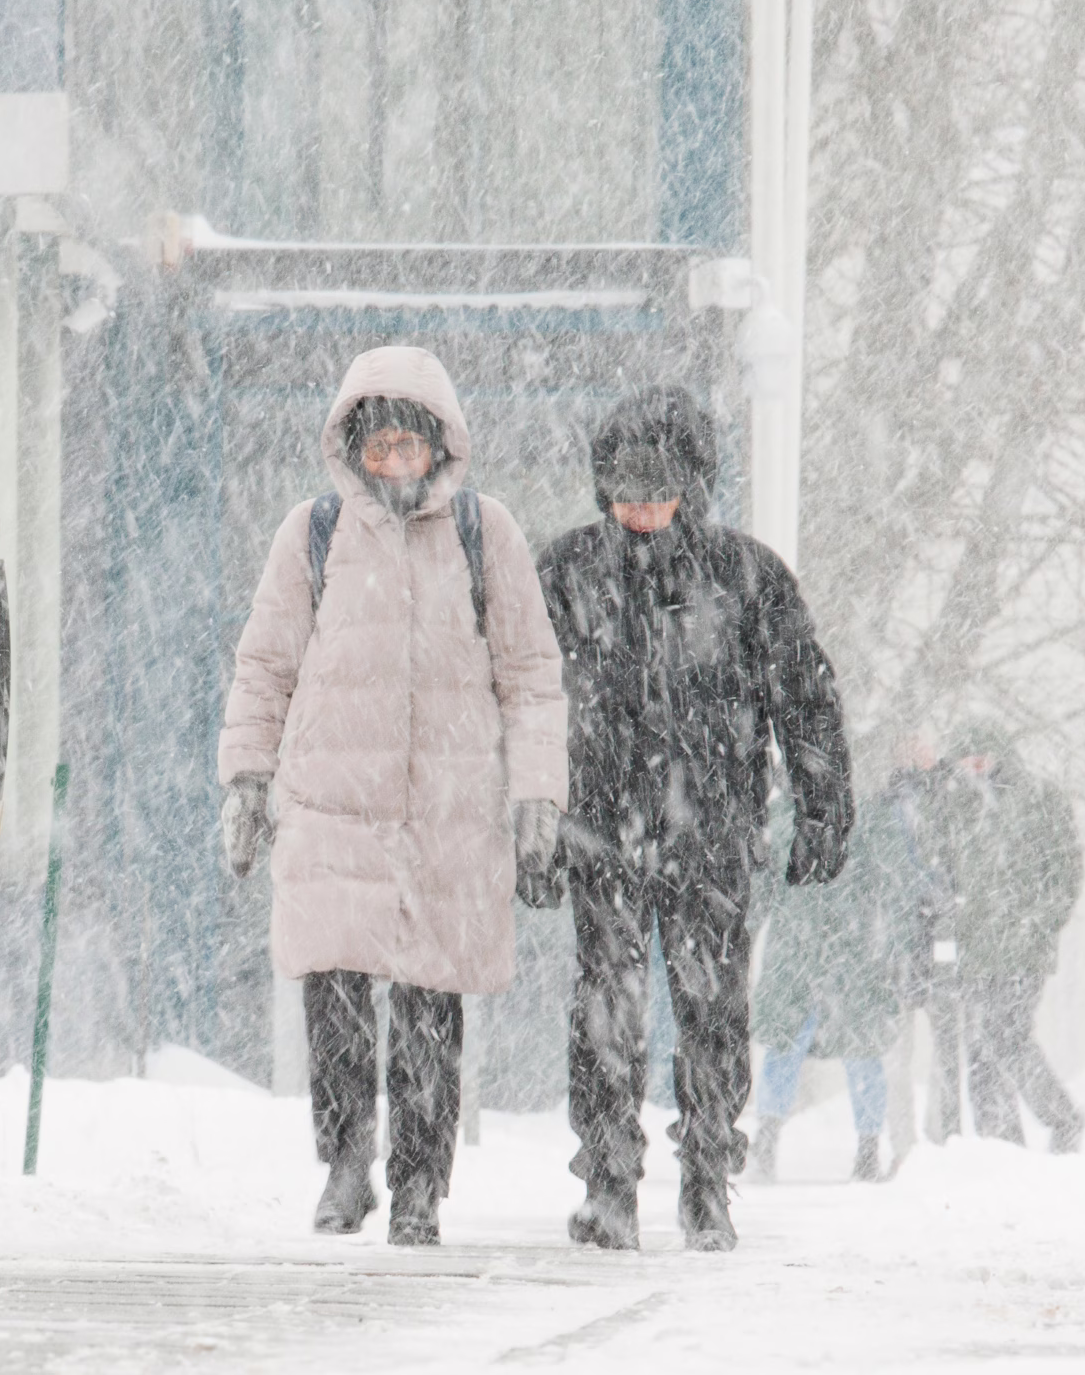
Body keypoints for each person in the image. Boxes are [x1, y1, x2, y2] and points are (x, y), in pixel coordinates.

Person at [216, 346, 568, 1247]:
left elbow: (531, 675)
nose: (395, 463)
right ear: (354, 450)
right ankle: (346, 1160)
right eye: (379, 448)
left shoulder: (486, 532)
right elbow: (265, 665)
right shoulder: (313, 533)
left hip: (450, 807)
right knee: (333, 987)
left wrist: (538, 793)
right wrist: (247, 777)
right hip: (334, 802)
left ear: (440, 445)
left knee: (429, 1004)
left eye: (409, 445)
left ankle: (419, 1184)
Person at [536, 386, 852, 1252]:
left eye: (659, 491)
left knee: (711, 1006)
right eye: (625, 492)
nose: (641, 510)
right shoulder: (564, 574)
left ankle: (708, 1173)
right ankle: (609, 1179)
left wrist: (823, 804)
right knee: (606, 1006)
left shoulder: (746, 578)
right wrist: (529, 826)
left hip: (710, 831)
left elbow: (804, 696)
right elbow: (520, 706)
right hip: (599, 828)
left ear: (692, 488)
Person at [752, 733, 943, 1181]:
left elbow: (895, 886)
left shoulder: (861, 820)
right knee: (794, 1047)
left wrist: (899, 947)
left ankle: (864, 1149)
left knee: (855, 1049)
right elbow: (760, 890)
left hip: (844, 954)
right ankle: (771, 1141)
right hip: (811, 953)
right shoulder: (789, 819)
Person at [924, 723, 1084, 1151]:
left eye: (982, 755)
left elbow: (1065, 874)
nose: (975, 765)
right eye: (966, 758)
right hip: (975, 949)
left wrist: (1038, 924)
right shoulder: (955, 804)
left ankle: (1062, 1119)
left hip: (1023, 948)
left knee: (1005, 1035)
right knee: (980, 1045)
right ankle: (999, 1143)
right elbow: (944, 874)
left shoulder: (1040, 799)